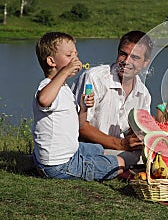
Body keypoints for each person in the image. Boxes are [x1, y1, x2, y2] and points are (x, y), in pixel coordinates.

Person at [32, 32, 124, 180]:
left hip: (69, 151)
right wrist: (66, 71)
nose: (75, 59)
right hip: (57, 165)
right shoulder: (48, 87)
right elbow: (43, 100)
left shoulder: (64, 89)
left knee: (101, 150)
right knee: (119, 164)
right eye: (69, 56)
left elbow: (79, 125)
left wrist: (83, 109)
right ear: (51, 61)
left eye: (76, 54)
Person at [71, 31, 153, 168]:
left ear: (145, 63)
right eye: (123, 54)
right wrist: (120, 144)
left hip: (117, 150)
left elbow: (138, 130)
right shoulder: (94, 78)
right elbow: (79, 126)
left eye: (135, 58)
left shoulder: (143, 94)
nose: (126, 62)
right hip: (85, 147)